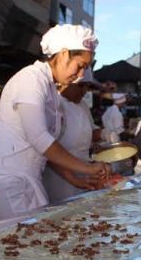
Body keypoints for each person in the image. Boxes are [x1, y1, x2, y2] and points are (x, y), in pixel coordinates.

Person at [0, 24, 110, 222]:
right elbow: (39, 138)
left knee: (39, 242)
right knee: (21, 246)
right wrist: (87, 168)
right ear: (63, 54)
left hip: (26, 180)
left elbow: (46, 148)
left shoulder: (51, 88)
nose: (80, 75)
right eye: (80, 66)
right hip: (2, 181)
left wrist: (72, 178)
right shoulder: (30, 79)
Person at [43, 68, 102, 203]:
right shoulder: (54, 104)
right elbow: (46, 148)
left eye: (86, 86)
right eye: (80, 86)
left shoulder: (83, 105)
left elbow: (92, 133)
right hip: (59, 177)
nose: (83, 91)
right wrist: (72, 178)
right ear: (67, 82)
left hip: (84, 172)